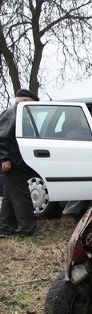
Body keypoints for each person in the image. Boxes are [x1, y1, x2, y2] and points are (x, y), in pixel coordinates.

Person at [0, 89, 39, 237]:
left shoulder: (17, 114)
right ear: (25, 101)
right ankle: (28, 229)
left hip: (15, 162)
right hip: (13, 163)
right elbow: (2, 137)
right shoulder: (12, 114)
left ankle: (5, 228)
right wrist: (4, 159)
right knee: (22, 197)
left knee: (10, 198)